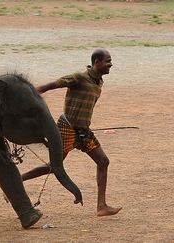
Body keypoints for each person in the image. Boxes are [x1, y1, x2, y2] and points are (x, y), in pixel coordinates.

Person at [22, 49, 122, 217]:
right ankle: (16, 181)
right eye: (107, 61)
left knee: (103, 161)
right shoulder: (79, 77)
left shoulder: (99, 82)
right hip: (67, 128)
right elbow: (51, 85)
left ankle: (101, 206)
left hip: (83, 131)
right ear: (97, 62)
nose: (110, 64)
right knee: (54, 167)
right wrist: (27, 96)